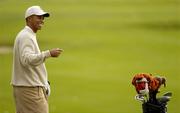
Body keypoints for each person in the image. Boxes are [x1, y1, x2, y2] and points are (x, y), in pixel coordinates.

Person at [11, 6, 63, 113]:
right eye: (39, 17)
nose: (42, 20)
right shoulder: (26, 36)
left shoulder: (27, 35)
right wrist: (48, 53)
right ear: (29, 19)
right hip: (30, 90)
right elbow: (27, 59)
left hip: (27, 88)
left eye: (43, 18)